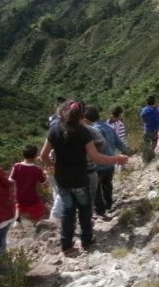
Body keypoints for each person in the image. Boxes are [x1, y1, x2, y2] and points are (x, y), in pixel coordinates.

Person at [39, 101, 128, 253]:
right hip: (80, 178)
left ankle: (66, 244)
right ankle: (86, 240)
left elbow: (43, 155)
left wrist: (51, 166)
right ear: (81, 116)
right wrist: (116, 159)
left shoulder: (54, 130)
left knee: (68, 211)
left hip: (62, 179)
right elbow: (96, 157)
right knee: (85, 209)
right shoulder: (83, 132)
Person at [83, 105, 128, 217]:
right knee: (107, 185)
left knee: (97, 189)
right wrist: (127, 152)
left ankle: (100, 211)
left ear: (86, 119)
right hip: (111, 162)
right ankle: (109, 205)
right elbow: (119, 143)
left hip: (98, 164)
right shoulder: (109, 127)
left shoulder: (92, 131)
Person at [9, 144, 47, 228]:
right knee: (39, 211)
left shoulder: (16, 166)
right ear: (35, 155)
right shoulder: (37, 169)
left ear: (23, 154)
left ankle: (17, 221)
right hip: (32, 197)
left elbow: (11, 180)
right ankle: (36, 224)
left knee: (19, 206)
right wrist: (45, 174)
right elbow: (43, 181)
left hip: (19, 196)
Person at [140, 96, 159, 163]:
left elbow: (143, 117)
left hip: (147, 129)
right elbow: (158, 120)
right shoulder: (155, 110)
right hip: (154, 130)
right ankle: (151, 155)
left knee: (146, 144)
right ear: (154, 102)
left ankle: (145, 159)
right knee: (154, 143)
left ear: (147, 102)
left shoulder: (144, 110)